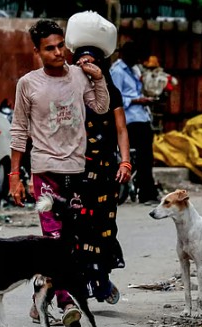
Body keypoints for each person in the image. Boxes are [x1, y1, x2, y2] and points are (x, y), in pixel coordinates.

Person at [9, 19, 110, 327]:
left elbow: (101, 107)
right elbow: (19, 129)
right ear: (37, 51)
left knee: (73, 239)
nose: (57, 52)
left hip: (76, 171)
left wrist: (98, 78)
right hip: (45, 171)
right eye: (49, 48)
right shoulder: (28, 84)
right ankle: (66, 302)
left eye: (60, 45)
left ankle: (41, 295)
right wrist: (15, 173)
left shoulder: (80, 76)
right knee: (53, 237)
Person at [72, 46, 131, 305]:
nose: (85, 65)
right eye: (80, 61)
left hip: (106, 171)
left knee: (104, 227)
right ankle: (81, 283)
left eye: (90, 61)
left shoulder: (111, 92)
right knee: (77, 228)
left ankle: (102, 279)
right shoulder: (70, 92)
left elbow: (121, 130)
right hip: (76, 170)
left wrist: (125, 162)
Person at [110, 41, 160, 204]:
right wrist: (137, 100)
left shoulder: (132, 70)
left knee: (146, 156)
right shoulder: (117, 71)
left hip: (140, 118)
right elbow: (115, 99)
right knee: (144, 155)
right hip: (129, 121)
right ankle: (146, 192)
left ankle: (146, 188)